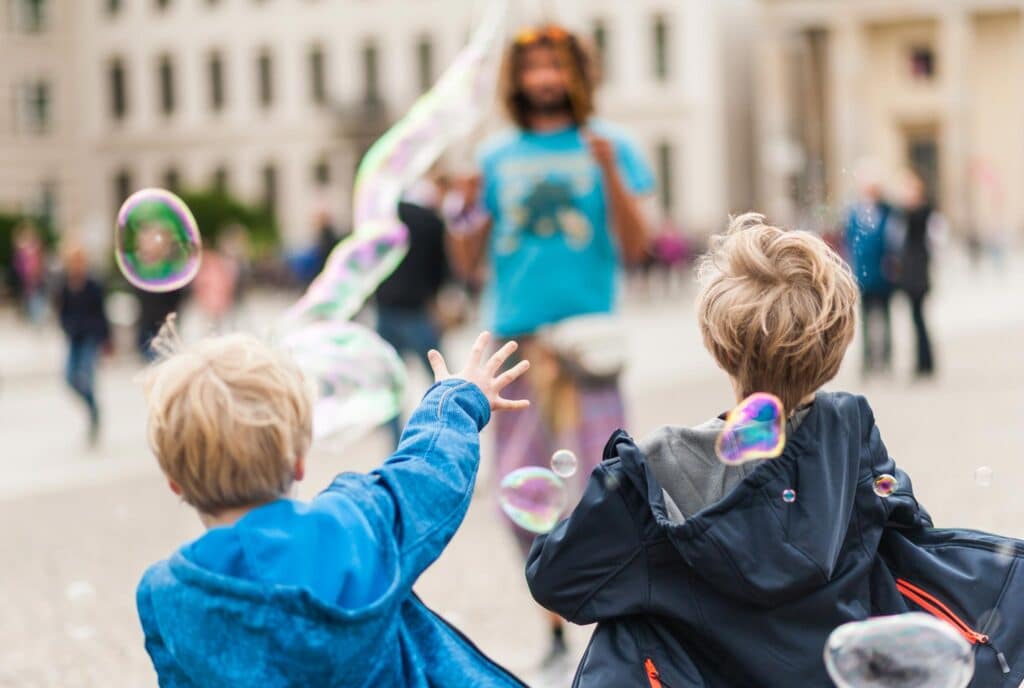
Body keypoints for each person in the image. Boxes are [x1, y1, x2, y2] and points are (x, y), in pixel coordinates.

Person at [524, 214, 1024, 686]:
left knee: (628, 617)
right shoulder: (850, 437)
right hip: (833, 671)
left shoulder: (656, 469)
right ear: (836, 346)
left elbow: (555, 580)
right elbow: (912, 538)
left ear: (714, 339)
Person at [136, 328, 531, 687]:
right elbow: (427, 474)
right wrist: (457, 399)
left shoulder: (163, 592)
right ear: (298, 461)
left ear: (175, 482)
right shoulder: (355, 523)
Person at [446, 24, 655, 672]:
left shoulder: (613, 145)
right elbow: (466, 258)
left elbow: (640, 244)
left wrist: (610, 175)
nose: (544, 78)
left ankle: (612, 616)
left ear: (577, 74)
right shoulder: (494, 155)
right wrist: (462, 214)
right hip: (517, 339)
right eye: (532, 67)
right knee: (518, 490)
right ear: (516, 80)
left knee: (605, 485)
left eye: (555, 65)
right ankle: (555, 620)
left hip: (588, 344)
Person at [375, 197, 451, 448]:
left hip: (387, 309)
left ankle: (397, 449)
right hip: (418, 309)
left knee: (390, 389)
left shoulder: (381, 219)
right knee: (443, 380)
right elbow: (441, 268)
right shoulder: (430, 219)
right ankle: (444, 440)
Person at [55, 245, 110, 446]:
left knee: (86, 376)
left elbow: (102, 313)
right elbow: (61, 310)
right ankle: (92, 406)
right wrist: (66, 327)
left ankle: (94, 414)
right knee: (69, 378)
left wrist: (106, 340)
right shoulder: (64, 285)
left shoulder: (93, 284)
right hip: (74, 337)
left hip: (90, 337)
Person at [844, 168, 896, 376]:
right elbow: (850, 241)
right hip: (863, 275)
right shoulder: (854, 214)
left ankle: (885, 358)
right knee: (864, 321)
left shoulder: (888, 212)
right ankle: (867, 359)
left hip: (883, 275)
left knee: (885, 318)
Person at [896, 173, 943, 378]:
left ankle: (925, 362)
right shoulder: (913, 213)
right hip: (913, 273)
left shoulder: (920, 213)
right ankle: (923, 361)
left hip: (918, 273)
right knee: (916, 319)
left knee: (919, 319)